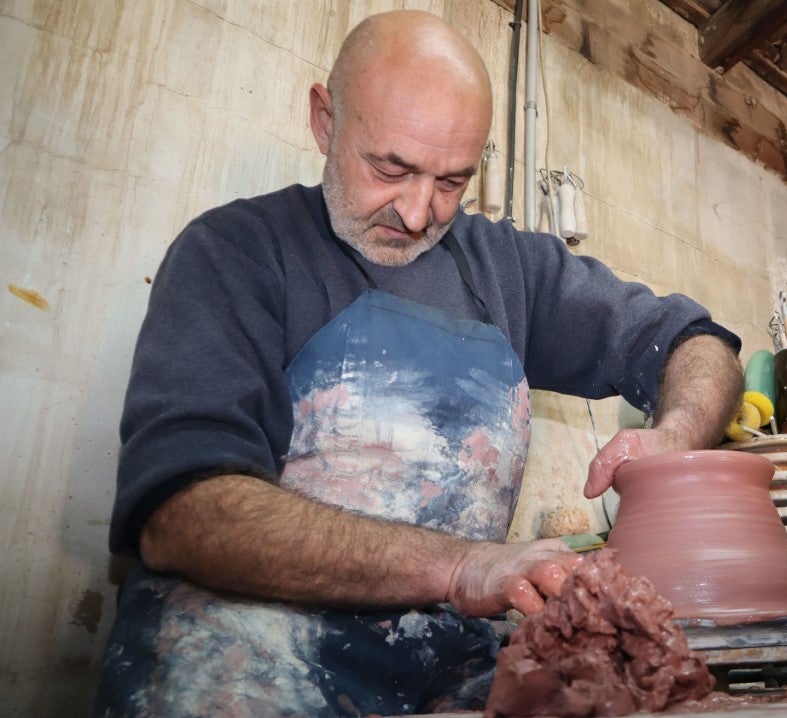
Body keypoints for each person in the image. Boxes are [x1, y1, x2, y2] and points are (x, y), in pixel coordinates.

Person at [94, 10, 742, 716]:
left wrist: (676, 437)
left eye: (452, 182)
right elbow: (185, 511)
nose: (416, 211)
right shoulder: (236, 252)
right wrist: (460, 565)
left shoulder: (509, 270)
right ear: (324, 120)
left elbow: (693, 340)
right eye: (390, 169)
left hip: (448, 667)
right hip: (244, 660)